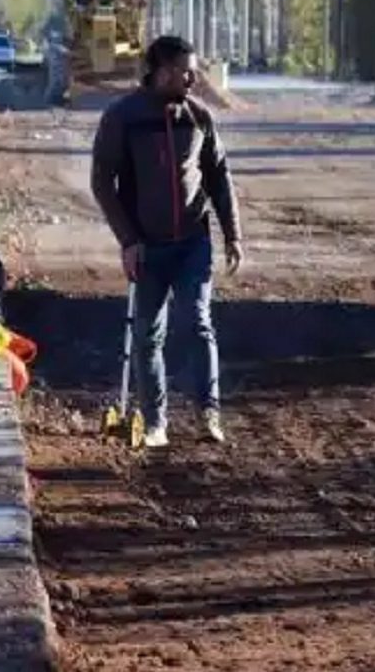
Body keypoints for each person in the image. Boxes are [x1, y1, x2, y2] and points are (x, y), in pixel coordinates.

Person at [90, 35, 242, 448]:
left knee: (198, 322)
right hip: (147, 246)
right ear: (157, 71)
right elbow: (103, 181)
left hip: (193, 241)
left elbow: (219, 176)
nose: (191, 78)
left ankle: (209, 413)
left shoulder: (198, 118)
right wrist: (128, 240)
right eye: (181, 71)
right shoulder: (123, 118)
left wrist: (232, 234)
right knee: (147, 335)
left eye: (193, 70)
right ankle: (155, 422)